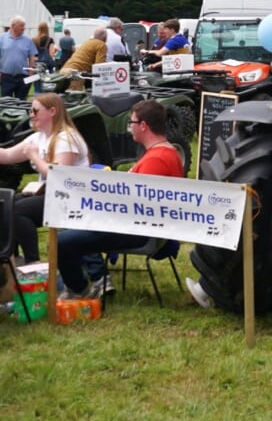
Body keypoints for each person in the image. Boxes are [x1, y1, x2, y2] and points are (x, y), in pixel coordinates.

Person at [57, 100, 184, 298]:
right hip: (138, 225)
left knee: (62, 241)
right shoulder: (164, 152)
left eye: (131, 123)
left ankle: (79, 289)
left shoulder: (156, 159)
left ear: (143, 126)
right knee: (73, 223)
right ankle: (91, 280)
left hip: (138, 230)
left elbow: (135, 204)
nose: (129, 128)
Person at [0, 93, 90, 264]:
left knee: (18, 211)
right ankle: (11, 259)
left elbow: (58, 175)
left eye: (35, 111)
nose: (31, 115)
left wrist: (34, 156)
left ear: (52, 111)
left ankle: (32, 263)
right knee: (5, 203)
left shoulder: (66, 138)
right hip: (50, 193)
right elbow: (7, 154)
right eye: (30, 110)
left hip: (72, 197)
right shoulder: (39, 137)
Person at [0, 15, 38, 99]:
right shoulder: (1, 38)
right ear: (12, 26)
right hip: (6, 77)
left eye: (24, 26)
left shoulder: (28, 40)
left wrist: (31, 74)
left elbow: (32, 57)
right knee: (5, 103)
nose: (23, 28)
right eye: (21, 26)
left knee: (21, 103)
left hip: (23, 77)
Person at [32, 21, 56, 93]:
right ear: (47, 29)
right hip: (47, 66)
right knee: (47, 86)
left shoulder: (34, 39)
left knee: (37, 86)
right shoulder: (50, 40)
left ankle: (37, 99)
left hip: (36, 65)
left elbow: (32, 54)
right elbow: (51, 54)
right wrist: (55, 53)